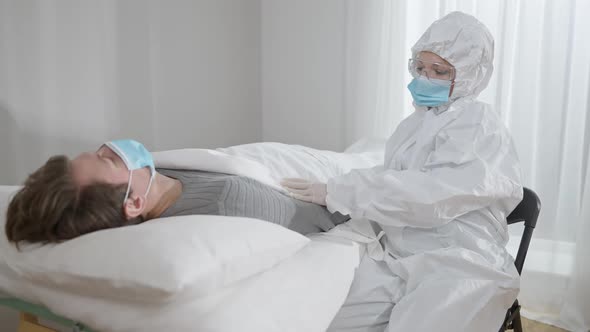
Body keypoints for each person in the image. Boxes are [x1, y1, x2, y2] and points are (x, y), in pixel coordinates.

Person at [281, 11, 523, 331]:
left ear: (469, 75)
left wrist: (341, 191)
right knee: (324, 313)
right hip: (398, 253)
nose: (424, 78)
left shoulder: (478, 123)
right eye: (420, 67)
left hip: (460, 260)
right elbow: (392, 176)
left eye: (439, 71)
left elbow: (433, 196)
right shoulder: (415, 124)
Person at [5, 140, 347, 245]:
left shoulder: (151, 180)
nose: (111, 146)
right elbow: (322, 219)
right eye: (109, 160)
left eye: (97, 152)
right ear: (134, 203)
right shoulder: (227, 204)